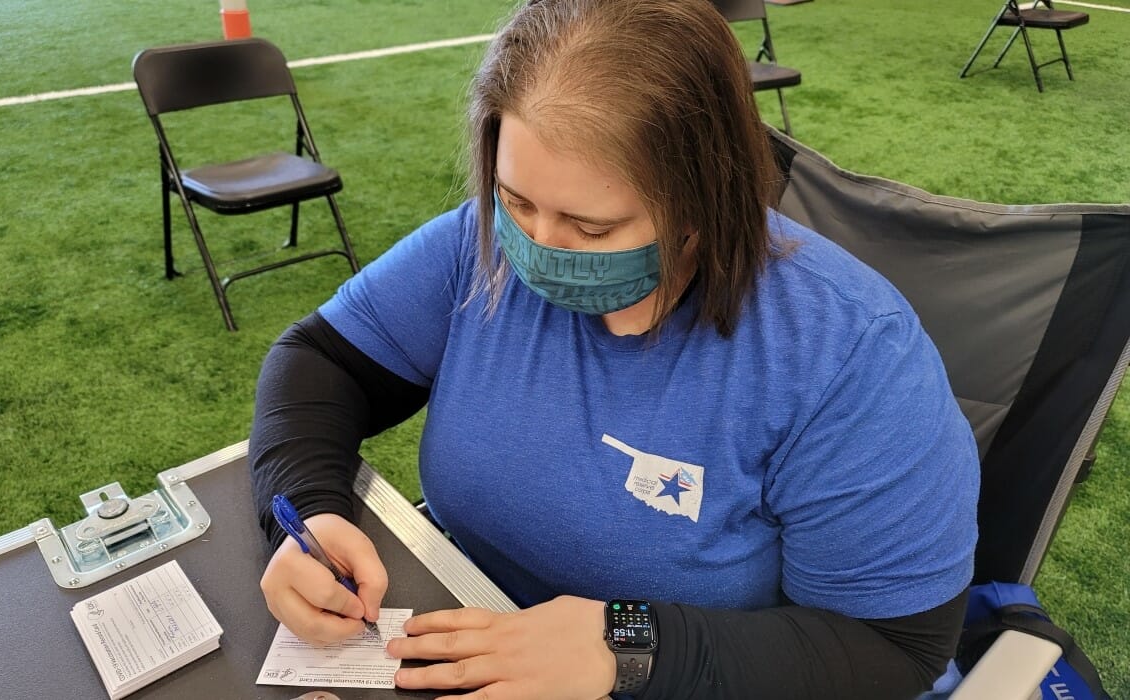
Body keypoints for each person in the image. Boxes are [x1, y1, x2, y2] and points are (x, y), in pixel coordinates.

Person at [249, 0, 980, 698]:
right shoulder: (474, 250)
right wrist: (310, 509)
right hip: (470, 629)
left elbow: (893, 649)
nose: (537, 249)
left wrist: (625, 641)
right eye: (516, 201)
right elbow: (321, 360)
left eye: (591, 228)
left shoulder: (848, 355)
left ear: (703, 197)